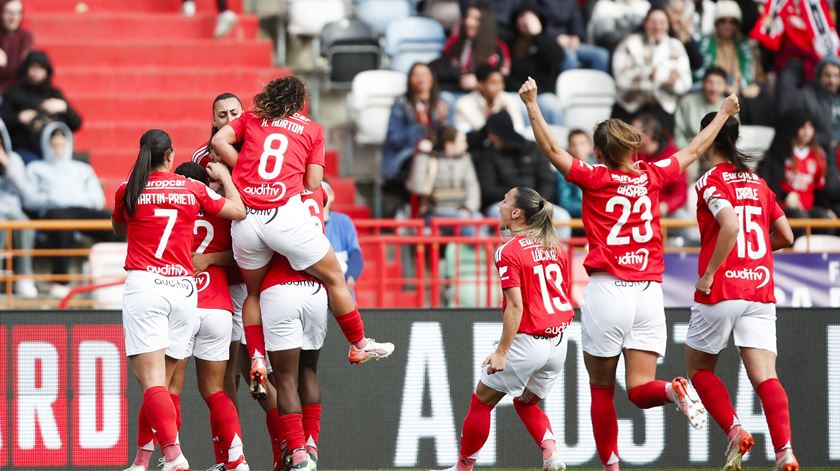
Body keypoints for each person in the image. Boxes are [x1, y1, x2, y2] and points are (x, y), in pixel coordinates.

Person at [521, 76, 741, 471]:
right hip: (648, 296)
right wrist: (723, 114)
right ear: (631, 148)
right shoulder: (650, 175)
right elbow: (694, 149)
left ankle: (611, 467)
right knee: (640, 389)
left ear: (600, 152)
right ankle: (673, 392)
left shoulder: (595, 178)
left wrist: (533, 104)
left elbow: (552, 149)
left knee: (602, 389)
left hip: (609, 292)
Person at [210, 76, 394, 393]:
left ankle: (256, 357)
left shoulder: (251, 117)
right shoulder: (310, 129)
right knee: (335, 276)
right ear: (299, 103)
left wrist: (244, 172)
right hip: (283, 216)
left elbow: (218, 142)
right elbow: (312, 182)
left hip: (247, 220)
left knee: (252, 294)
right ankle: (358, 343)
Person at [113, 129, 246, 471]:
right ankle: (142, 462)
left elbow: (119, 228)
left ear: (142, 153)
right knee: (166, 384)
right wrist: (226, 177)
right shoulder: (194, 188)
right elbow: (238, 210)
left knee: (152, 383)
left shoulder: (128, 190)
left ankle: (173, 455)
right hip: (186, 292)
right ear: (170, 155)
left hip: (146, 288)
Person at [687, 112, 798, 471]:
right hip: (760, 287)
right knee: (766, 375)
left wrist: (710, 273)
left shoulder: (709, 181)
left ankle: (735, 430)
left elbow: (730, 225)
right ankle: (785, 452)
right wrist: (758, 254)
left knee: (700, 370)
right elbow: (786, 236)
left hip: (722, 287)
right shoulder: (758, 182)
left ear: (708, 137)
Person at [437, 186, 572, 471]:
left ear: (516, 213)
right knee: (526, 404)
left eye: (504, 200)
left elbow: (515, 307)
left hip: (528, 342)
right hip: (559, 342)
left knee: (482, 403)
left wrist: (501, 352)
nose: (499, 204)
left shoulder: (508, 251)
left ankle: (463, 469)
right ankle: (551, 452)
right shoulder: (556, 247)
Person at [258, 186, 331, 471]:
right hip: (315, 288)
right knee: (309, 371)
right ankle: (311, 443)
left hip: (280, 288)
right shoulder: (316, 193)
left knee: (283, 379)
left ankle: (297, 452)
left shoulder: (274, 194)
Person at [24, 123, 117, 299]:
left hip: (81, 210)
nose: (59, 148)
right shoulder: (36, 168)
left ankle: (113, 277)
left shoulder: (83, 169)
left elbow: (98, 200)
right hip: (54, 211)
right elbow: (29, 200)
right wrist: (51, 199)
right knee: (62, 224)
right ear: (46, 144)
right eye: (54, 144)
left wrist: (78, 200)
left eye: (62, 144)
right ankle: (61, 280)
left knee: (113, 222)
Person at [612, 7, 693, 133]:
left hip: (662, 108)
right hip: (630, 107)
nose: (657, 26)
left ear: (668, 25)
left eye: (662, 22)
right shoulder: (629, 43)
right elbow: (620, 79)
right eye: (653, 21)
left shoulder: (675, 46)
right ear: (645, 23)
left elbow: (685, 83)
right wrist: (650, 76)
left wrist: (668, 81)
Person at [0, 51, 82, 164]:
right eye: (33, 67)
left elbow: (77, 123)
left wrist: (64, 108)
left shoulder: (54, 94)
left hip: (55, 150)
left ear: (47, 71)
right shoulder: (13, 93)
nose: (36, 72)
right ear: (26, 69)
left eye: (41, 68)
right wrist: (19, 117)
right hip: (25, 148)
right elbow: (3, 120)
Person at [473, 111, 555, 215]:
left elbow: (547, 180)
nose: (490, 138)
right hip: (503, 204)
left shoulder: (532, 148)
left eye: (492, 133)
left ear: (502, 132)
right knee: (499, 213)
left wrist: (539, 202)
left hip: (536, 203)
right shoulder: (488, 155)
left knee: (561, 216)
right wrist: (514, 200)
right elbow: (488, 189)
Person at [432, 1, 511, 107]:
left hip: (484, 98)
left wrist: (478, 85)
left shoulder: (498, 47)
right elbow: (440, 66)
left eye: (476, 19)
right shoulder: (455, 42)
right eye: (468, 17)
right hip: (455, 90)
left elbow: (502, 81)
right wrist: (458, 74)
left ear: (485, 22)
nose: (469, 22)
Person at [381, 63, 450, 185]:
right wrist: (418, 126)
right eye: (416, 74)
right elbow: (395, 140)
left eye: (425, 74)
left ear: (432, 78)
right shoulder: (401, 105)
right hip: (405, 156)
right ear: (410, 80)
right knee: (422, 160)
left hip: (436, 153)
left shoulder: (443, 104)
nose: (421, 78)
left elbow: (449, 138)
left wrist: (441, 123)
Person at [406, 126, 482, 235]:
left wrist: (468, 208)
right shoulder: (429, 159)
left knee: (479, 219)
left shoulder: (465, 159)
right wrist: (422, 155)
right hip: (435, 213)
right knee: (469, 226)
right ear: (449, 145)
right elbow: (417, 187)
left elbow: (472, 186)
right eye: (462, 142)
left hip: (462, 211)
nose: (466, 145)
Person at [505, 2, 565, 126]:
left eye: (530, 17)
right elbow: (508, 74)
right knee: (513, 105)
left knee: (552, 105)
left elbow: (555, 60)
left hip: (543, 93)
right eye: (521, 16)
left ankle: (560, 142)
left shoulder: (547, 40)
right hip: (518, 93)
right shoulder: (510, 43)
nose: (525, 21)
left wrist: (537, 34)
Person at [0, 117, 34, 297]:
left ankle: (24, 277)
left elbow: (25, 192)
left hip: (13, 210)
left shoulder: (14, 159)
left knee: (25, 226)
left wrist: (6, 163)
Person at [632, 114, 689, 221]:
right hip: (636, 210)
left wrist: (666, 206)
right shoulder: (631, 154)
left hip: (665, 212)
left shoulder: (673, 156)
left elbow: (681, 194)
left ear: (647, 136)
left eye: (635, 133)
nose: (630, 136)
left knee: (691, 233)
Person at [783, 55, 840, 153]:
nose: (832, 81)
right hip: (815, 151)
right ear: (819, 76)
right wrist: (827, 141)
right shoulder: (804, 97)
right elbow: (795, 130)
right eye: (827, 75)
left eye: (836, 76)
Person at [455, 65, 525, 135]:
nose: (499, 87)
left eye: (501, 82)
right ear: (480, 84)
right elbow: (472, 131)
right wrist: (494, 118)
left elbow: (518, 129)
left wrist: (505, 117)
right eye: (493, 83)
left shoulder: (509, 99)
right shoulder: (464, 104)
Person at [674, 67, 728, 154]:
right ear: (703, 83)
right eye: (710, 82)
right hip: (689, 150)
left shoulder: (728, 105)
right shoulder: (687, 102)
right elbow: (678, 133)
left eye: (719, 83)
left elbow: (733, 137)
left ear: (725, 86)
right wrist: (687, 153)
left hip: (717, 154)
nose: (714, 88)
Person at [323, 181, 364, 292]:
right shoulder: (304, 222)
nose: (320, 196)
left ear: (331, 196)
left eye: (324, 191)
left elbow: (355, 253)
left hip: (342, 288)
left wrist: (351, 276)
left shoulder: (343, 222)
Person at [192, 92, 244, 168]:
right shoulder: (202, 157)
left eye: (234, 113)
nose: (230, 120)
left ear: (244, 116)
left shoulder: (257, 146)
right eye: (222, 116)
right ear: (214, 121)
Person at [554, 129, 596, 219]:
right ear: (569, 148)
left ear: (590, 146)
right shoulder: (562, 172)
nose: (578, 148)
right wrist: (593, 208)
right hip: (576, 218)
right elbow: (565, 203)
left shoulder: (599, 169)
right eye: (574, 144)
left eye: (582, 144)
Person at [586, 0, 650, 53]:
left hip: (641, 50)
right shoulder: (605, 5)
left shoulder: (644, 6)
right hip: (611, 50)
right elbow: (593, 32)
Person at [0, 0, 33, 94]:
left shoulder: (26, 37)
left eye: (18, 13)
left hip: (18, 90)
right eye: (9, 13)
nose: (14, 18)